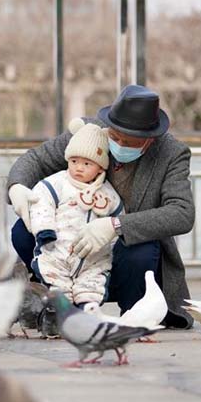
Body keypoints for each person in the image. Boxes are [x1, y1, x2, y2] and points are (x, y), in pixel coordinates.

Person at [8, 85, 195, 329]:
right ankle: (58, 300)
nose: (117, 144)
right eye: (114, 137)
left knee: (141, 250)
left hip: (127, 257)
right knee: (23, 230)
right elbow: (36, 159)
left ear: (149, 140)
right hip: (72, 247)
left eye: (128, 142)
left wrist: (115, 225)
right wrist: (17, 187)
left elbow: (182, 212)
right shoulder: (90, 132)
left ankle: (134, 316)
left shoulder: (172, 153)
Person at [26, 118, 123, 306]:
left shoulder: (109, 194)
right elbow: (41, 204)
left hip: (93, 258)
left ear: (100, 167)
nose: (79, 167)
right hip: (58, 249)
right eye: (74, 161)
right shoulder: (57, 183)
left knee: (92, 287)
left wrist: (111, 246)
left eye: (87, 164)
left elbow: (118, 220)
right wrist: (45, 230)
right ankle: (59, 313)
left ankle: (86, 312)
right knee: (57, 284)